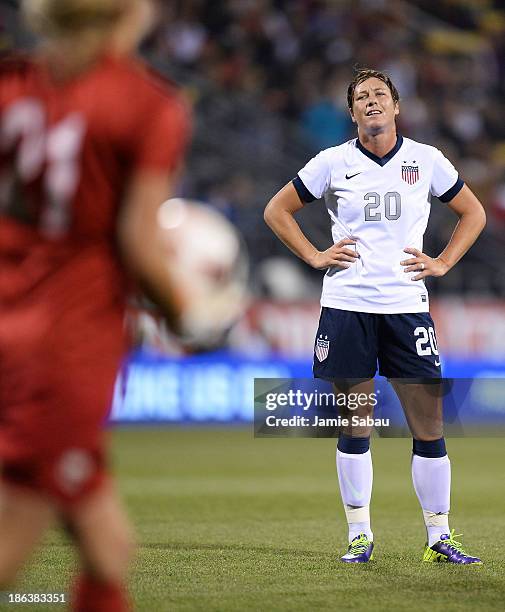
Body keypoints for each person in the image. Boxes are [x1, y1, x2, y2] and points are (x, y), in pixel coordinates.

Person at [0, 0, 190, 609]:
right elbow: (137, 241)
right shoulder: (147, 103)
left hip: (9, 315)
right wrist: (186, 312)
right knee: (11, 540)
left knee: (107, 547)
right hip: (64, 341)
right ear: (132, 15)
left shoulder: (10, 86)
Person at [264, 68, 486, 564]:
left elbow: (474, 212)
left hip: (407, 306)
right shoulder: (333, 162)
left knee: (429, 425)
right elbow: (277, 210)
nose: (371, 102)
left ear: (396, 106)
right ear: (352, 113)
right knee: (356, 420)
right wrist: (315, 256)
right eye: (361, 97)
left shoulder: (425, 160)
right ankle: (359, 534)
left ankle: (438, 536)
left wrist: (443, 262)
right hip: (348, 305)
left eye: (379, 95)